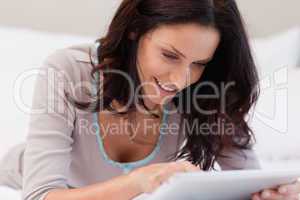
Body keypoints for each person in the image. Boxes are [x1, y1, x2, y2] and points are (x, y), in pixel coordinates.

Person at [1, 0, 299, 200]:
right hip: (17, 181)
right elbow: (40, 195)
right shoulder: (69, 70)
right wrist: (141, 182)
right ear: (134, 31)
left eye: (199, 63)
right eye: (169, 55)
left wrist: (278, 192)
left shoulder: (204, 92)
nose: (180, 79)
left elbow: (251, 182)